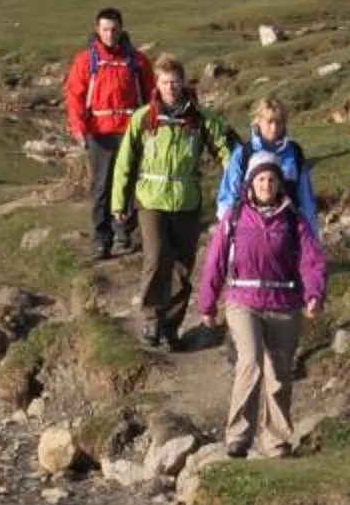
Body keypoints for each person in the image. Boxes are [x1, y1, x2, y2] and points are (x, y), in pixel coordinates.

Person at [196, 149, 329, 457]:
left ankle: (276, 440)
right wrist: (207, 304)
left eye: (271, 179)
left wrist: (314, 295)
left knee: (280, 373)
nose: (266, 184)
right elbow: (215, 261)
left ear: (279, 183)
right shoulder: (235, 217)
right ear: (250, 184)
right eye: (260, 179)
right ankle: (238, 436)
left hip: (284, 302)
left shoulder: (294, 221)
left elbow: (312, 261)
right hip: (243, 300)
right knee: (251, 361)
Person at [111, 56, 227, 349]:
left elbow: (226, 150)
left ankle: (171, 326)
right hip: (151, 200)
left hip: (186, 202)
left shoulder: (200, 119)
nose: (171, 88)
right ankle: (152, 318)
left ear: (184, 82)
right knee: (156, 255)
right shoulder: (144, 118)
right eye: (165, 82)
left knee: (183, 266)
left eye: (176, 81)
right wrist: (119, 202)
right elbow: (125, 161)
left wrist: (240, 184)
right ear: (157, 84)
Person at [63, 9, 152, 260]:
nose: (110, 35)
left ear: (122, 29)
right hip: (99, 133)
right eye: (105, 29)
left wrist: (152, 127)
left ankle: (124, 231)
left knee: (128, 184)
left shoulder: (137, 61)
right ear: (97, 29)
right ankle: (102, 238)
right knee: (102, 187)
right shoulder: (86, 61)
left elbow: (151, 95)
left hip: (129, 130)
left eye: (114, 29)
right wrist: (78, 128)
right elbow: (75, 96)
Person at [215, 94, 318, 229]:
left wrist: (311, 233)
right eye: (269, 122)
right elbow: (227, 198)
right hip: (251, 230)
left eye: (278, 122)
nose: (274, 128)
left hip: (288, 230)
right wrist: (230, 230)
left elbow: (306, 198)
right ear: (258, 121)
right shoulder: (244, 153)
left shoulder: (295, 153)